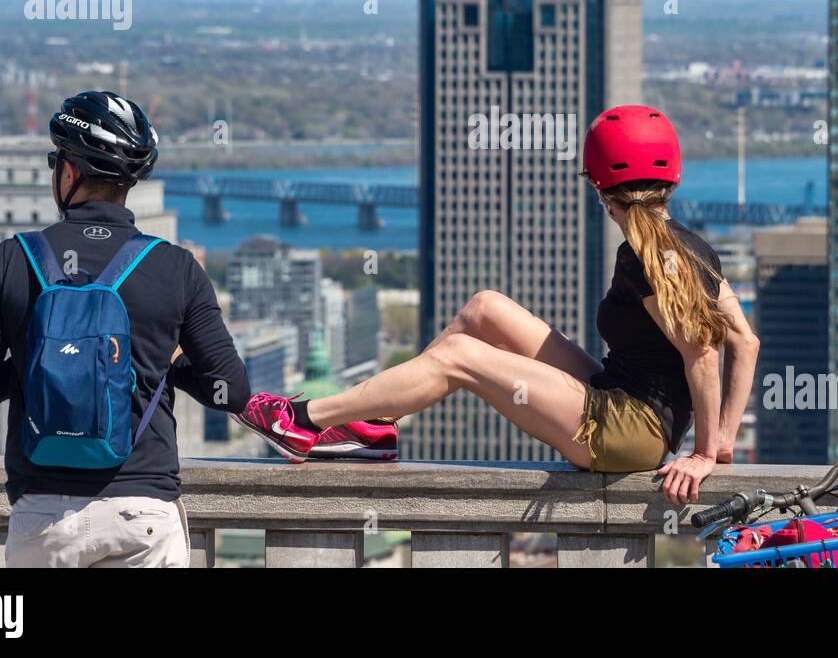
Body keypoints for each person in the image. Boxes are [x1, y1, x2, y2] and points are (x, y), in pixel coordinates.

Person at [238, 105, 761, 505]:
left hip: (630, 430)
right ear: (673, 178)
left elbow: (704, 355)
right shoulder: (695, 247)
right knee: (485, 308)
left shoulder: (647, 258)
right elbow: (746, 341)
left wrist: (701, 454)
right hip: (616, 394)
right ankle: (375, 426)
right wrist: (723, 445)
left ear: (600, 188)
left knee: (458, 357)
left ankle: (303, 420)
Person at [0, 90, 253, 567]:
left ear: (68, 172)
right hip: (143, 513)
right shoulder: (176, 268)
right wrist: (159, 364)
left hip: (43, 516)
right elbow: (230, 392)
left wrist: (42, 360)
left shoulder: (13, 259)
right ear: (130, 183)